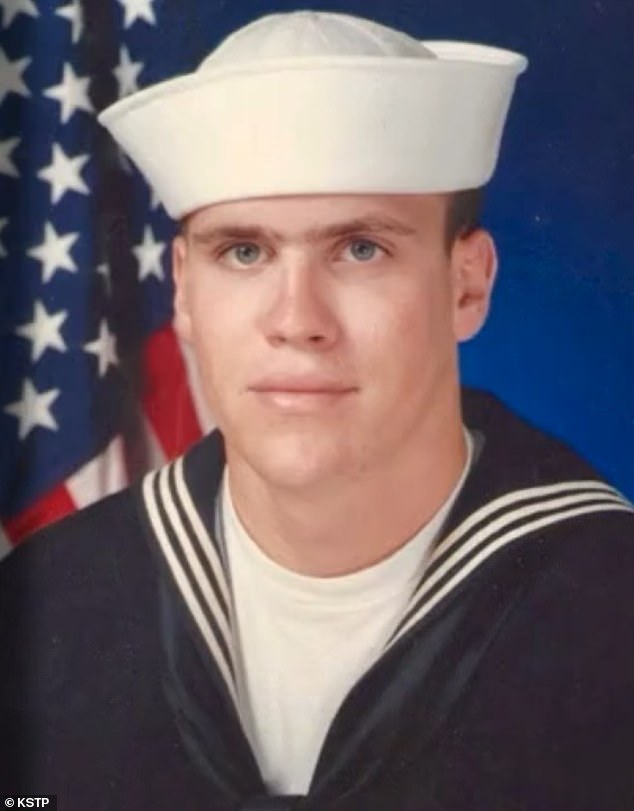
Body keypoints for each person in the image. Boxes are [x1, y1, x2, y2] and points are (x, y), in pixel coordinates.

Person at [1, 10, 633, 810]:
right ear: (186, 291)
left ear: (466, 284)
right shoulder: (46, 608)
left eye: (360, 249)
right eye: (245, 251)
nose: (297, 317)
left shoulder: (614, 612)